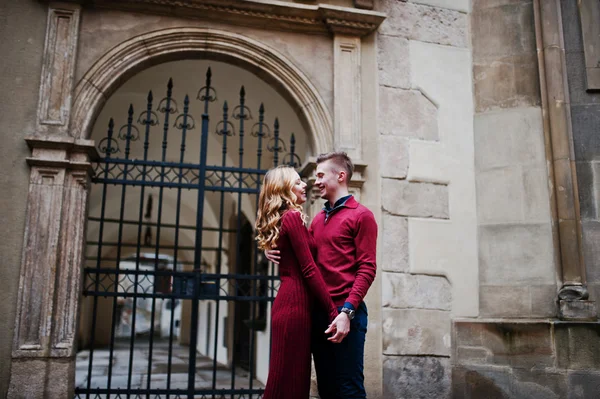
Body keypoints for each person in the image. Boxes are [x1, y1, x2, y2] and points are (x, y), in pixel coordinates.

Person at [265, 151, 378, 399]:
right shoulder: (316, 220)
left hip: (346, 313)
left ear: (340, 175)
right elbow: (304, 261)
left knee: (349, 389)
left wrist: (347, 312)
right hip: (318, 314)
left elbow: (367, 269)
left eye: (320, 175)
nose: (314, 182)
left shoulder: (362, 216)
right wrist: (273, 250)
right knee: (326, 388)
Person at [255, 165, 348, 399]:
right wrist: (332, 310)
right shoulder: (293, 216)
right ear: (284, 188)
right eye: (297, 182)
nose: (304, 184)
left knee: (288, 381)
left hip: (291, 305)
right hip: (294, 307)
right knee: (289, 383)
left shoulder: (287, 218)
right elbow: (308, 268)